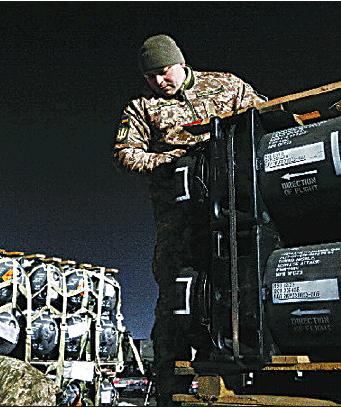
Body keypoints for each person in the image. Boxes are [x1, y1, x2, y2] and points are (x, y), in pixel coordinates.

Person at [114, 34, 266, 406]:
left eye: (164, 72)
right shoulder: (142, 107)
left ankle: (248, 378)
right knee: (175, 296)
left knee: (241, 283)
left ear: (180, 63)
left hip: (234, 208)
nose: (158, 81)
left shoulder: (226, 85)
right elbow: (125, 153)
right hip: (178, 216)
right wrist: (173, 162)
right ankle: (169, 390)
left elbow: (263, 119)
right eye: (150, 77)